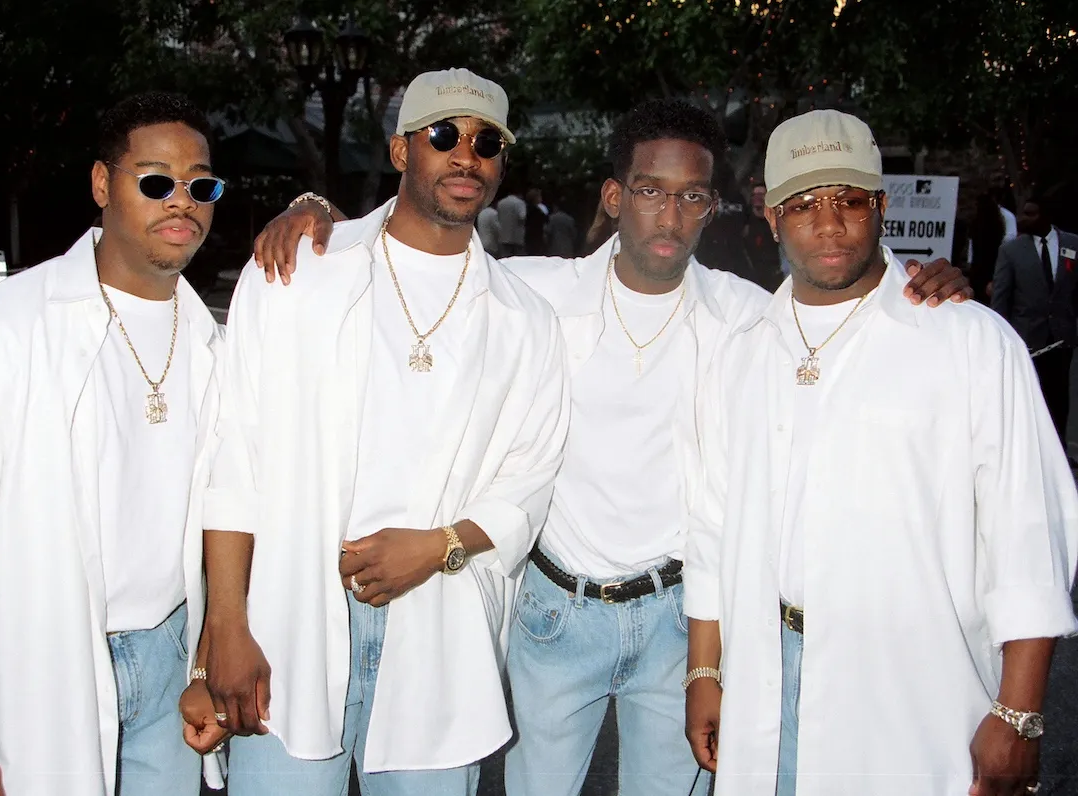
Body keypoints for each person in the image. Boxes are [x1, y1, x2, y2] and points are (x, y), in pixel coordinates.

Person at [250, 98, 969, 796]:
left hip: (679, 618)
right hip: (556, 612)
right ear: (616, 196)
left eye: (692, 197)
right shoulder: (536, 296)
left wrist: (920, 280)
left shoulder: (748, 316)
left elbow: (840, 309)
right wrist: (315, 210)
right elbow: (423, 256)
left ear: (712, 207)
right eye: (652, 191)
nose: (671, 215)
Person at [684, 109, 1078, 796]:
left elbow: (1028, 533)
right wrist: (704, 671)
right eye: (804, 205)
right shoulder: (741, 353)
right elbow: (711, 526)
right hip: (764, 676)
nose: (829, 225)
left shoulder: (969, 342)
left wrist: (1018, 713)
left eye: (849, 200)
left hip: (913, 691)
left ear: (882, 206)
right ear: (772, 217)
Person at [201, 67, 569, 796]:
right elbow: (234, 456)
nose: (466, 156)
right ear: (402, 150)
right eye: (445, 135)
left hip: (440, 630)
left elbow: (531, 477)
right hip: (293, 617)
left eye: (487, 143)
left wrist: (437, 547)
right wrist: (228, 626)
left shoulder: (526, 319)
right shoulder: (297, 274)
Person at [0, 92, 229, 795]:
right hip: (43, 665)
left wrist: (200, 663)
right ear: (102, 183)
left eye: (201, 186)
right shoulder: (2, 330)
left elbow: (217, 515)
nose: (181, 201)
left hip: (170, 663)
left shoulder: (211, 341)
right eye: (155, 180)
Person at [991, 196, 1078, 448]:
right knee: (1027, 400)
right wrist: (1000, 338)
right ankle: (1027, 451)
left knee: (1059, 398)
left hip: (1061, 338)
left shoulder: (1072, 244)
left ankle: (1059, 453)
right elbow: (1001, 298)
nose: (1022, 219)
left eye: (1030, 214)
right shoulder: (1011, 250)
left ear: (1046, 216)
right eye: (1022, 213)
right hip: (1026, 340)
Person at [741, 182, 786, 291]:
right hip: (750, 280)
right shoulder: (745, 223)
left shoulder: (776, 224)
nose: (758, 198)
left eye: (761, 195)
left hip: (774, 279)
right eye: (755, 195)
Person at [497, 186, 528, 257]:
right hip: (517, 237)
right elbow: (522, 217)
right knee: (518, 259)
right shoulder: (520, 203)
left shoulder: (501, 203)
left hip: (503, 236)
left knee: (505, 258)